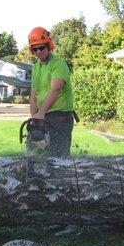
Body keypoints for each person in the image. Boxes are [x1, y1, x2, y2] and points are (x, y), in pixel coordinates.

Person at [28, 26, 74, 157]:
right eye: (34, 48)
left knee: (59, 157)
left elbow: (55, 89)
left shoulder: (59, 64)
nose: (38, 51)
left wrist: (41, 113)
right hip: (44, 117)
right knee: (38, 155)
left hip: (60, 118)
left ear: (48, 45)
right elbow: (33, 96)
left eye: (41, 47)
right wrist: (35, 117)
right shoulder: (36, 68)